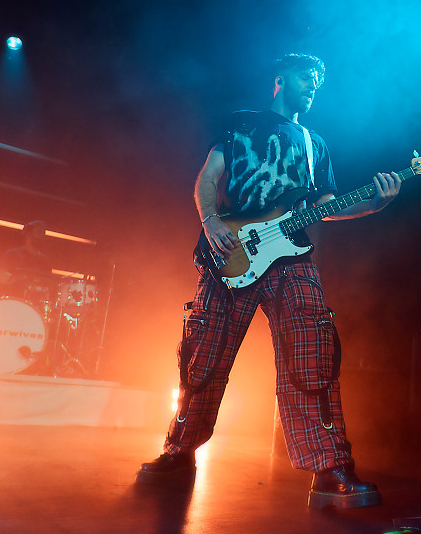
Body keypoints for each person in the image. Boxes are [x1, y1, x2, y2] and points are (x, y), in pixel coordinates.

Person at [137, 53, 402, 509]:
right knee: (205, 355)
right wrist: (211, 220)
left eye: (318, 80)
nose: (313, 85)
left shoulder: (315, 142)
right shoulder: (240, 124)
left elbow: (326, 203)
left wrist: (373, 205)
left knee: (313, 355)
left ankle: (329, 469)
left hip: (292, 257)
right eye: (306, 76)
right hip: (232, 249)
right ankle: (179, 452)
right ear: (280, 80)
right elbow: (208, 177)